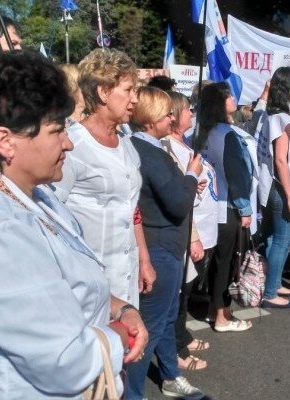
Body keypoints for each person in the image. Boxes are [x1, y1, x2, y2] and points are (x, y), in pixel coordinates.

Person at [0, 50, 147, 399]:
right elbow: (67, 361)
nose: (69, 143)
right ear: (6, 142)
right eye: (57, 131)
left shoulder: (36, 195)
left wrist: (121, 307)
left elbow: (68, 283)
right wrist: (121, 334)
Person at [53, 49, 155, 307]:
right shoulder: (72, 146)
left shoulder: (127, 145)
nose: (135, 99)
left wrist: (143, 258)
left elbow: (132, 208)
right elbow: (50, 214)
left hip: (127, 275)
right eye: (128, 90)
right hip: (87, 284)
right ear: (103, 92)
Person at [125, 86, 204, 400]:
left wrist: (186, 183)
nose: (172, 118)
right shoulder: (149, 153)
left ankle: (170, 375)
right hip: (160, 247)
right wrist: (192, 176)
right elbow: (177, 202)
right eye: (166, 114)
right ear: (149, 119)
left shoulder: (147, 147)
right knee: (152, 325)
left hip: (166, 244)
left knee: (167, 317)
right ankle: (132, 393)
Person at [196, 82, 258, 331]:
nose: (234, 99)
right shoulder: (227, 134)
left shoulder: (201, 131)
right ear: (219, 103)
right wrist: (245, 209)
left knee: (218, 261)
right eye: (229, 96)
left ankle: (214, 310)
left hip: (210, 204)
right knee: (228, 262)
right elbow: (237, 175)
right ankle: (223, 316)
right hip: (229, 205)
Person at [163, 91, 217, 367]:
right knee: (179, 292)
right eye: (187, 110)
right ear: (173, 116)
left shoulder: (183, 142)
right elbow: (177, 192)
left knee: (186, 288)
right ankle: (175, 350)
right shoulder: (168, 148)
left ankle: (181, 336)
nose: (192, 114)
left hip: (199, 225)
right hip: (185, 229)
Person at [257, 67, 290, 308]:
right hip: (279, 187)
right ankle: (270, 292)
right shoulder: (282, 119)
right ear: (289, 90)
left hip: (271, 186)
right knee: (282, 239)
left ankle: (274, 283)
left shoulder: (270, 115)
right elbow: (281, 160)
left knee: (280, 236)